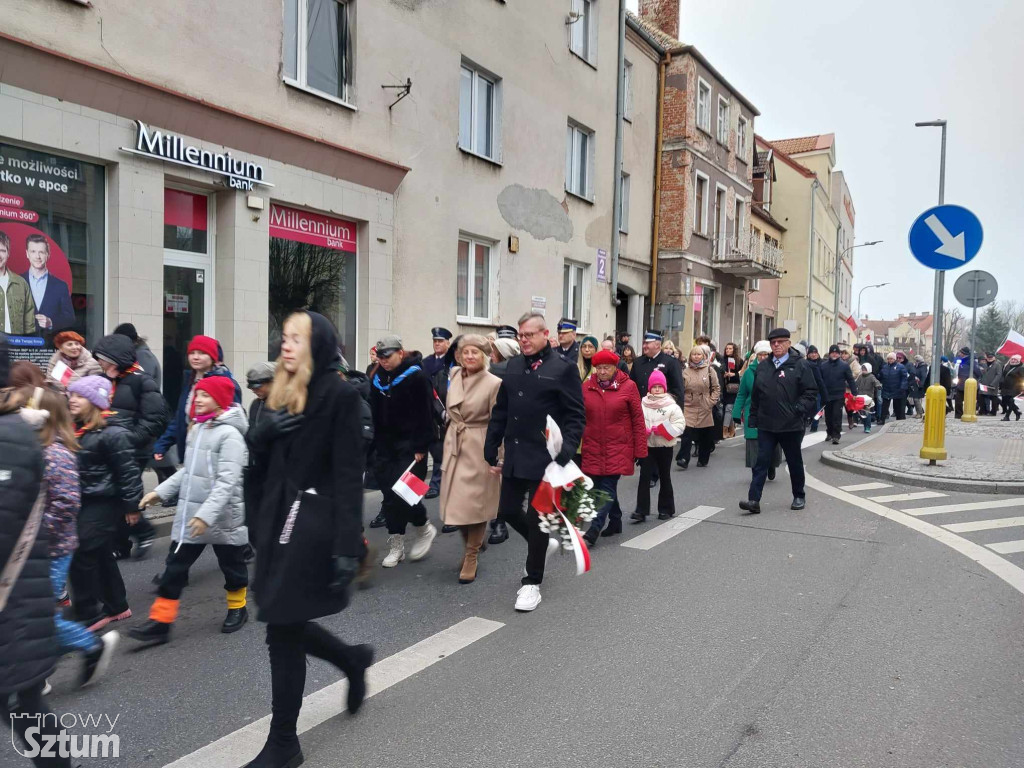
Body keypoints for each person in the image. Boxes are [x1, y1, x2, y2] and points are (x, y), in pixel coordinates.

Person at [244, 311, 372, 768]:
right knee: (285, 620)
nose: (286, 344)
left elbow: (346, 476)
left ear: (318, 344)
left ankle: (283, 743)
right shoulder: (275, 394)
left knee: (281, 627)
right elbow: (260, 465)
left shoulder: (340, 395)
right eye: (284, 337)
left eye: (297, 338)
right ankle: (351, 660)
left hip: (313, 524)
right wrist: (259, 436)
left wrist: (345, 545)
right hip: (275, 519)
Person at [0, 336, 75, 768]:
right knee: (26, 708)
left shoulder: (15, 438)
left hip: (16, 600)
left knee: (27, 710)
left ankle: (88, 643)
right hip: (21, 601)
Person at [130, 377, 250, 645]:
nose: (197, 400)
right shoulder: (199, 428)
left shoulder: (230, 435)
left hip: (222, 515)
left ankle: (238, 608)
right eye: (197, 395)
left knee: (232, 568)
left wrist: (205, 516)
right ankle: (161, 622)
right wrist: (159, 492)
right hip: (192, 514)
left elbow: (227, 482)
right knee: (174, 567)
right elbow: (188, 471)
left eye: (204, 396)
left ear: (220, 400)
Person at [485, 312, 585, 612]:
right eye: (520, 335)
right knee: (507, 510)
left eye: (529, 335)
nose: (524, 340)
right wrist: (491, 443)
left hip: (545, 456)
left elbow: (575, 415)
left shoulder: (563, 368)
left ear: (544, 335)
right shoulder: (513, 366)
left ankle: (532, 582)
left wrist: (567, 448)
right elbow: (502, 410)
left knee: (539, 518)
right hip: (516, 453)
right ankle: (540, 546)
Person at [20, 385, 119, 687]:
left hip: (51, 550)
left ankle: (90, 646)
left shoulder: (57, 453)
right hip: (29, 549)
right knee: (26, 617)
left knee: (36, 618)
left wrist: (33, 531)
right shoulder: (31, 448)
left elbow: (66, 504)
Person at [66, 375, 141, 631]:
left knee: (80, 551)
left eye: (79, 396)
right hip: (85, 500)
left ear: (95, 401)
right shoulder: (79, 429)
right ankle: (117, 606)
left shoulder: (113, 433)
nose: (72, 400)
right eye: (71, 395)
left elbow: (128, 472)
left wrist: (132, 506)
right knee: (99, 553)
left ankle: (88, 613)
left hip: (105, 502)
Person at [92, 332, 169, 559]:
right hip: (109, 448)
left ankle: (142, 531)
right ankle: (123, 541)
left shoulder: (142, 381)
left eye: (103, 358)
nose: (99, 363)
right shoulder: (103, 379)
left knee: (124, 495)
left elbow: (156, 419)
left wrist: (130, 439)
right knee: (114, 495)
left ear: (116, 358)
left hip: (133, 449)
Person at [438, 335, 502, 583]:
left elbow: (498, 422)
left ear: (484, 356)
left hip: (479, 444)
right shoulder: (454, 375)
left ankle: (471, 555)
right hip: (455, 442)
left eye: (475, 352)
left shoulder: (494, 383)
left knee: (475, 505)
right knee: (456, 504)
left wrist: (499, 456)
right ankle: (473, 543)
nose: (469, 357)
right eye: (465, 352)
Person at [370, 334, 437, 568]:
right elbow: (375, 414)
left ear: (400, 353)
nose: (384, 361)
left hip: (411, 446)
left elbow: (425, 414)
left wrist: (421, 445)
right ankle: (396, 543)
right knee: (389, 495)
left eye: (387, 356)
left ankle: (423, 527)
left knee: (406, 493)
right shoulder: (377, 377)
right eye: (380, 357)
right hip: (385, 447)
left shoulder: (417, 377)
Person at [739, 328, 817, 514]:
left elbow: (811, 392)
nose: (777, 345)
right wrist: (753, 417)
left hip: (791, 424)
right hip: (767, 423)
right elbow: (757, 394)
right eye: (773, 343)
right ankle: (754, 500)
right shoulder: (763, 366)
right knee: (761, 461)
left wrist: (798, 409)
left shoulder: (799, 365)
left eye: (781, 342)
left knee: (793, 460)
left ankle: (799, 495)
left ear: (789, 343)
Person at [580, 349, 646, 545]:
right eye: (598, 368)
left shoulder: (629, 386)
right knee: (599, 487)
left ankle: (594, 528)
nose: (601, 372)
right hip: (593, 445)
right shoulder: (587, 387)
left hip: (619, 446)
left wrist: (640, 450)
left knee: (606, 488)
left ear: (614, 368)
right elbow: (578, 416)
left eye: (606, 368)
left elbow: (637, 419)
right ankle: (615, 520)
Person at [154, 334, 241, 467]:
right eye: (192, 353)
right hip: (190, 454)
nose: (195, 357)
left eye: (201, 353)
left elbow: (234, 420)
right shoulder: (190, 381)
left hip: (212, 459)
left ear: (212, 357)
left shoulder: (225, 383)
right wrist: (163, 444)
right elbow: (181, 417)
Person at [633, 370, 685, 523]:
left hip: (665, 446)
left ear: (664, 388)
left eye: (659, 387)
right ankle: (641, 510)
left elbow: (680, 424)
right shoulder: (642, 403)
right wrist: (643, 431)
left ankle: (666, 509)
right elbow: (636, 421)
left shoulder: (671, 405)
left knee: (665, 476)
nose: (656, 389)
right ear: (649, 388)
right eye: (654, 387)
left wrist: (664, 430)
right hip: (647, 445)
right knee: (644, 477)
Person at [732, 341, 782, 478]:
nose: (763, 357)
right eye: (761, 354)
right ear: (757, 355)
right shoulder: (749, 372)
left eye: (766, 354)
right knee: (754, 442)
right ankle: (756, 470)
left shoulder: (777, 370)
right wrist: (736, 412)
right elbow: (742, 394)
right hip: (752, 411)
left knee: (772, 441)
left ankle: (771, 465)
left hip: (773, 411)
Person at [676, 345, 721, 469]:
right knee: (687, 433)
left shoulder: (710, 370)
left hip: (704, 405)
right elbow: (680, 388)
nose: (696, 357)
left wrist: (711, 402)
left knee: (704, 435)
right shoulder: (685, 371)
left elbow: (716, 388)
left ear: (703, 356)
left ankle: (703, 458)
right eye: (693, 354)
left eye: (698, 354)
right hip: (689, 405)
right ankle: (683, 458)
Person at [21, 234, 74, 335]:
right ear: (27, 254)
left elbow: (69, 318)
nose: (37, 256)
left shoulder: (60, 286)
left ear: (48, 254)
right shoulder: (16, 282)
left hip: (48, 346)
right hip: (19, 345)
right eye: (33, 252)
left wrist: (51, 322)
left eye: (41, 252)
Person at [630, 331, 683, 401]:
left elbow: (678, 391)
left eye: (647, 343)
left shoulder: (670, 362)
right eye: (644, 343)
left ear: (657, 345)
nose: (644, 346)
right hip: (641, 408)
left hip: (662, 409)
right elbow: (631, 387)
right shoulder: (638, 362)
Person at [820, 344, 857, 445]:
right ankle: (830, 432)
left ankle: (836, 435)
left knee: (837, 415)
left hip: (839, 395)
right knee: (828, 416)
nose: (834, 354)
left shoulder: (844, 365)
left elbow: (850, 379)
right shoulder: (823, 365)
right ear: (830, 353)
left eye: (837, 353)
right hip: (827, 395)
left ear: (839, 354)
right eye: (833, 352)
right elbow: (820, 380)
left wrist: (854, 392)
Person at [878, 352, 910, 424]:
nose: (890, 360)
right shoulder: (885, 367)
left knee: (897, 406)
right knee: (884, 406)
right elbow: (881, 376)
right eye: (888, 359)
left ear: (894, 359)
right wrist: (878, 376)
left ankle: (899, 420)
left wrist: (902, 387)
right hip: (886, 389)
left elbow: (904, 378)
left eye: (891, 359)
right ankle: (882, 419)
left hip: (897, 389)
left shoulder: (900, 367)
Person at [803, 345, 828, 432]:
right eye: (811, 353)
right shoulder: (804, 363)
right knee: (807, 406)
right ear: (808, 354)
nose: (813, 355)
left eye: (815, 353)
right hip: (807, 389)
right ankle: (808, 420)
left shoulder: (822, 364)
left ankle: (815, 424)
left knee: (818, 408)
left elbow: (822, 379)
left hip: (819, 390)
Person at [953, 347, 982, 419]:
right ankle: (958, 414)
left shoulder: (971, 362)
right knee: (958, 400)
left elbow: (978, 372)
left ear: (963, 353)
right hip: (961, 383)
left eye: (960, 352)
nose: (959, 354)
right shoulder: (961, 361)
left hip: (969, 384)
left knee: (968, 400)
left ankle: (968, 413)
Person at [720, 342, 742, 438]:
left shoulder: (739, 361)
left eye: (730, 348)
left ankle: (724, 429)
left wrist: (734, 374)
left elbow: (742, 374)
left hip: (734, 388)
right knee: (726, 409)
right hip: (724, 387)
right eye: (727, 348)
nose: (728, 350)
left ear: (734, 350)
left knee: (729, 407)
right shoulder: (722, 360)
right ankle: (731, 428)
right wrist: (723, 374)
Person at [856, 363, 883, 432]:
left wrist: (878, 386)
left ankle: (867, 427)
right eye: (862, 369)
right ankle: (865, 424)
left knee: (867, 413)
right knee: (861, 413)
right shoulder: (860, 377)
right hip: (860, 397)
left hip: (868, 398)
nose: (863, 370)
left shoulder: (871, 377)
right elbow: (855, 383)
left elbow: (876, 382)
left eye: (865, 369)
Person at [1000, 354, 1023, 420]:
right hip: (1005, 386)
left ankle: (1007, 416)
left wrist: (1021, 388)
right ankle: (1017, 412)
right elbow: (1003, 374)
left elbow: (1022, 378)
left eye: (1015, 359)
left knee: (1010, 401)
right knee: (1005, 401)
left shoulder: (1020, 368)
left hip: (1014, 387)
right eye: (1012, 359)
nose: (1013, 361)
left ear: (1018, 360)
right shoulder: (1006, 366)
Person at [980, 352, 1003, 416]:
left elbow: (998, 375)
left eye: (991, 357)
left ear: (994, 358)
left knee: (993, 398)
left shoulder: (997, 365)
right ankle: (983, 411)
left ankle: (993, 412)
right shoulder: (984, 364)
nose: (990, 358)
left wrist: (993, 383)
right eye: (988, 357)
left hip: (992, 385)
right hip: (984, 384)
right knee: (982, 397)